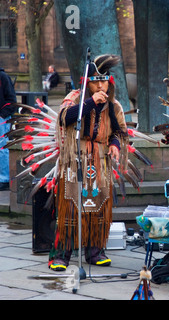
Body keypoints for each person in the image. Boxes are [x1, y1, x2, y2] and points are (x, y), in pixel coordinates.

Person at [49, 54, 129, 271]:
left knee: (99, 206)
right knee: (70, 206)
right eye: (96, 80)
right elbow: (65, 119)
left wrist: (114, 144)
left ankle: (95, 251)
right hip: (75, 159)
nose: (101, 84)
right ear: (87, 81)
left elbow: (120, 131)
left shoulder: (114, 105)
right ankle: (61, 255)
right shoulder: (74, 98)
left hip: (100, 160)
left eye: (104, 80)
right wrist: (89, 102)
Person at [0, 67, 16, 191]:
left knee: (2, 148)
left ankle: (4, 179)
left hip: (2, 117)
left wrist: (2, 115)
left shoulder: (3, 77)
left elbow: (11, 100)